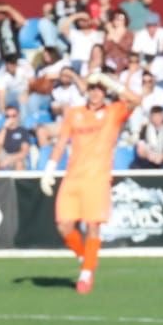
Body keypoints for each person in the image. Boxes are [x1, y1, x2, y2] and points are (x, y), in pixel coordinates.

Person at [41, 72, 140, 294]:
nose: (96, 92)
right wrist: (49, 170)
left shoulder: (113, 112)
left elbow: (136, 101)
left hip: (97, 178)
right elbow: (61, 143)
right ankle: (86, 258)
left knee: (93, 226)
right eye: (92, 88)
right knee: (63, 225)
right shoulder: (74, 114)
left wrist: (110, 82)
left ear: (104, 92)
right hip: (72, 177)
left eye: (100, 89)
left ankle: (86, 274)